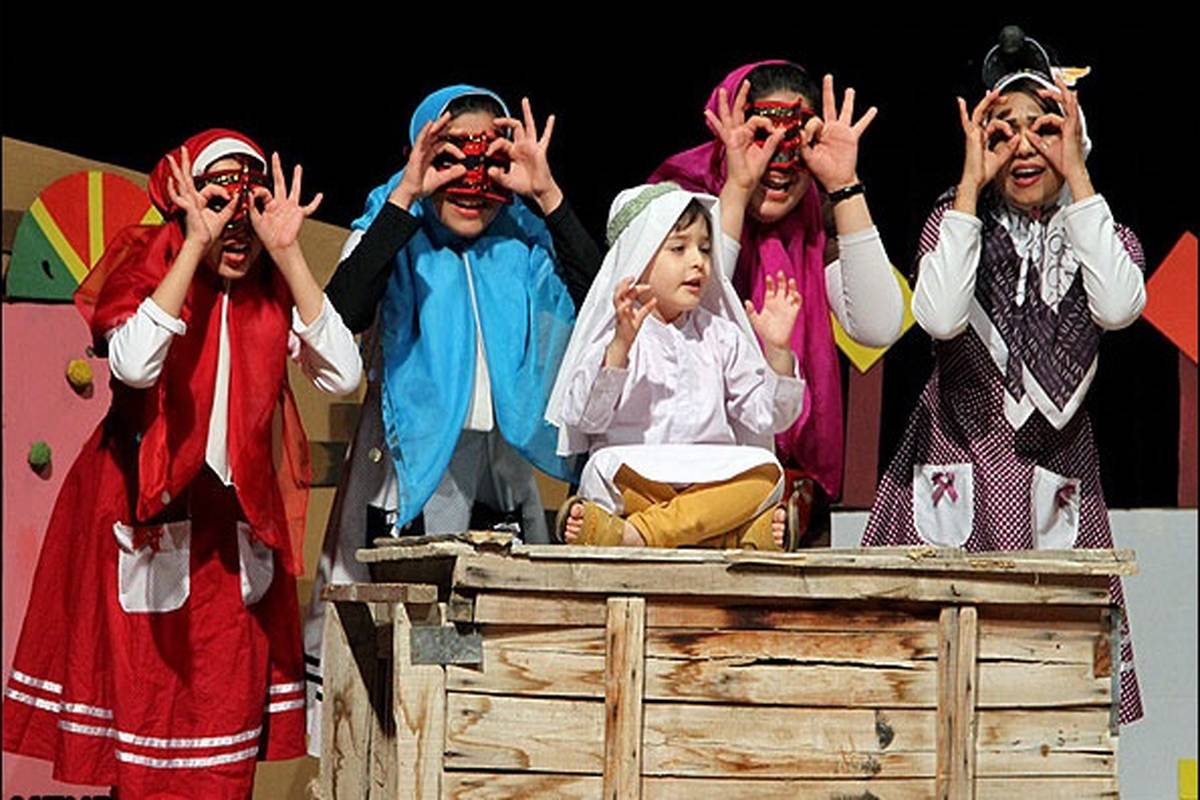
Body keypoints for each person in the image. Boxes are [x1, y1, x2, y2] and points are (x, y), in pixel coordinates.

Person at [2, 129, 362, 796]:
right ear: (183, 200)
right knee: (145, 710)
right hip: (142, 506)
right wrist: (193, 245)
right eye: (218, 201)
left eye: (249, 206)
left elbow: (343, 375)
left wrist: (289, 254)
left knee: (223, 725)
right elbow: (135, 366)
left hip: (230, 529)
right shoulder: (149, 269)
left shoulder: (271, 291)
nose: (234, 222)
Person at [303, 85, 601, 753]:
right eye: (449, 158)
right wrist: (407, 195)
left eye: (488, 162)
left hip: (500, 484)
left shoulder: (524, 239)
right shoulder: (390, 227)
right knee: (403, 674)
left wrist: (547, 196)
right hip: (405, 484)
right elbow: (342, 315)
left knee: (486, 674)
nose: (470, 181)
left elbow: (603, 305)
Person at [860, 28, 1145, 724]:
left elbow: (1117, 305)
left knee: (1051, 699)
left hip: (1056, 478)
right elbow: (940, 317)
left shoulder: (1105, 235)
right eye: (1001, 130)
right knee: (938, 690)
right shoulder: (952, 223)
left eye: (1043, 128)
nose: (1022, 147)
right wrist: (968, 185)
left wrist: (1077, 175)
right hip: (958, 463)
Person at [650, 60, 904, 509]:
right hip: (679, 472)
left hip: (784, 486)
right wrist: (738, 185)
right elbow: (699, 305)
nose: (779, 161)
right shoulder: (676, 202)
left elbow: (878, 326)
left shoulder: (814, 221)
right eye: (762, 137)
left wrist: (844, 185)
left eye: (794, 142)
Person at [546, 183, 804, 549]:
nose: (698, 261)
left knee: (767, 473)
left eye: (705, 248)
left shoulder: (722, 334)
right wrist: (620, 347)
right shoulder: (618, 333)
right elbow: (587, 419)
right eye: (679, 248)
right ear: (639, 254)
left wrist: (777, 352)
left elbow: (768, 418)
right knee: (603, 471)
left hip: (710, 476)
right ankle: (725, 535)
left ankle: (636, 534)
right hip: (639, 477)